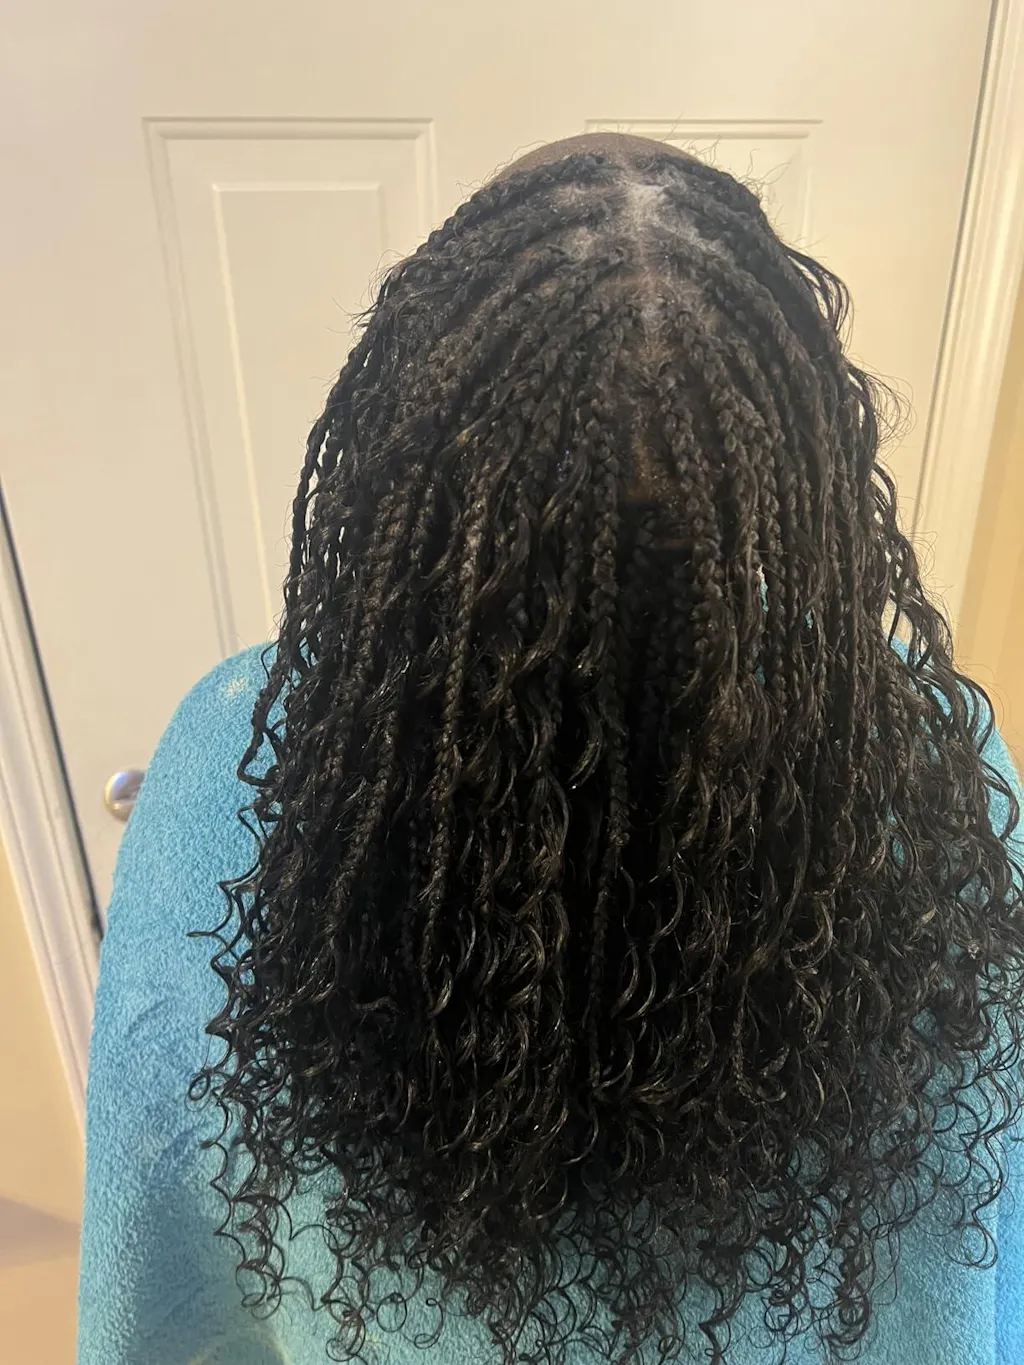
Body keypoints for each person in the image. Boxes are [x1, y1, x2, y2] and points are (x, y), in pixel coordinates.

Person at [79, 134, 1024, 1365]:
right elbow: (969, 1242)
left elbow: (161, 1236)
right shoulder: (930, 758)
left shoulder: (230, 754)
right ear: (799, 474)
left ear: (407, 450)